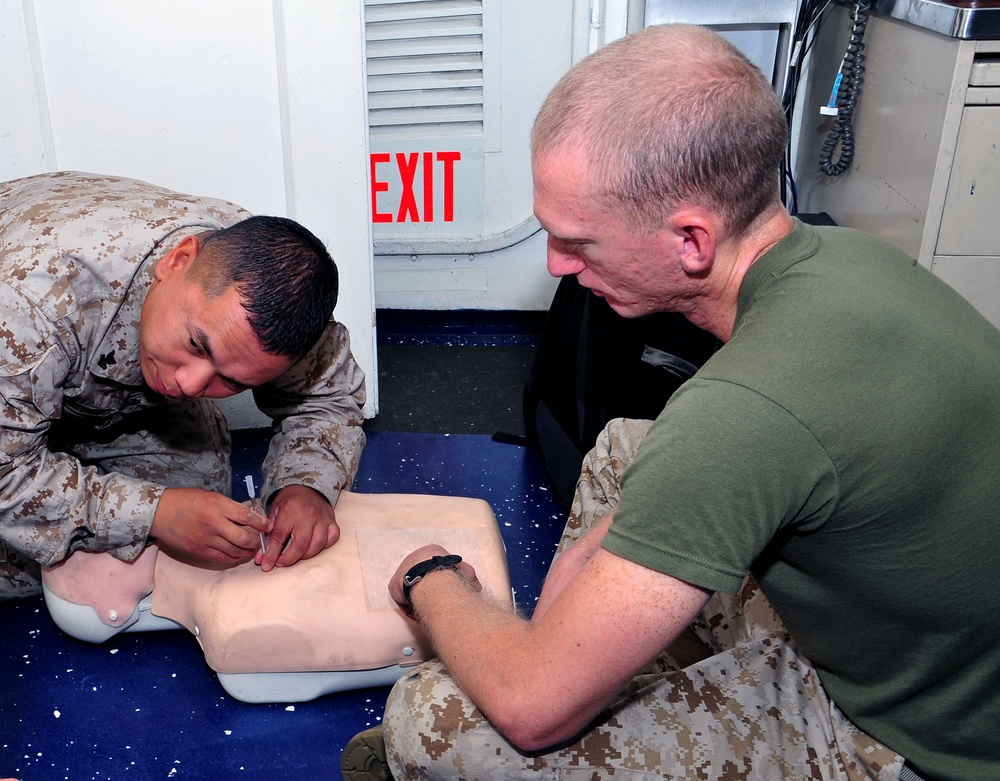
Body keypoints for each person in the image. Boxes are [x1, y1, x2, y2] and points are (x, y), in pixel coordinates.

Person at [340, 23, 1000, 781]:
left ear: (690, 240)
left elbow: (528, 708)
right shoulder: (846, 257)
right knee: (627, 443)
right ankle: (606, 662)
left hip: (913, 742)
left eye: (577, 242)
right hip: (940, 652)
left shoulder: (743, 409)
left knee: (433, 719)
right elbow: (716, 457)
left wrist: (434, 578)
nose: (556, 263)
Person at [1, 171, 367, 599]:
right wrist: (155, 514)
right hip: (22, 340)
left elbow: (327, 401)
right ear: (176, 262)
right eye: (197, 344)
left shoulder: (278, 300)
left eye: (230, 381)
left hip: (81, 386)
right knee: (28, 569)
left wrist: (305, 485)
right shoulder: (32, 304)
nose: (189, 384)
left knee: (205, 504)